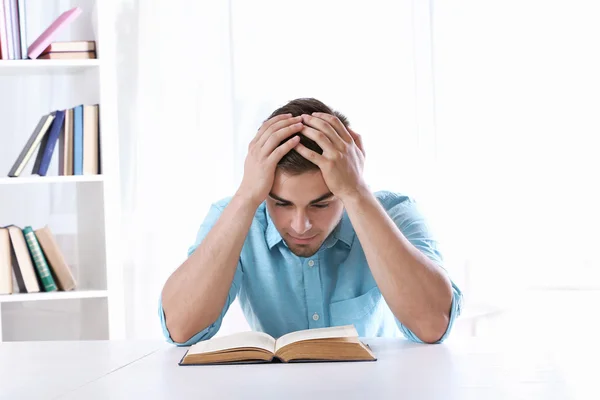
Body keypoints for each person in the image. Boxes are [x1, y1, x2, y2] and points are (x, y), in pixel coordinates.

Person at [159, 98, 462, 346]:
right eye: (281, 203)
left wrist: (356, 193)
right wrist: (246, 196)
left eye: (321, 204)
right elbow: (181, 329)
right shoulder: (237, 213)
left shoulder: (394, 212)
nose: (300, 225)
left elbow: (433, 325)